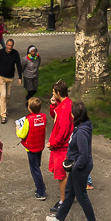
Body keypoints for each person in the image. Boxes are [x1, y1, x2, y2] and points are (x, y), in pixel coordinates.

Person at [46, 102, 98, 221]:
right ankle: (59, 219)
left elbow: (84, 154)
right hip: (77, 166)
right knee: (69, 192)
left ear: (75, 115)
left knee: (81, 195)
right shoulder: (82, 126)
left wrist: (75, 167)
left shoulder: (81, 132)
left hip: (79, 167)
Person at [47, 80, 73, 214]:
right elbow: (54, 116)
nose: (52, 95)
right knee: (62, 173)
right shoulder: (64, 104)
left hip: (61, 147)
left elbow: (63, 131)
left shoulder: (64, 109)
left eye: (53, 93)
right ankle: (68, 195)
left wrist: (53, 144)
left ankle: (63, 201)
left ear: (58, 93)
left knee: (60, 174)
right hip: (61, 145)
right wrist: (53, 105)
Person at [16, 96, 48, 200]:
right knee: (37, 165)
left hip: (31, 147)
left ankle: (41, 191)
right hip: (40, 145)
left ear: (29, 108)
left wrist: (17, 128)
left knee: (35, 169)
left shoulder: (28, 120)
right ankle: (40, 188)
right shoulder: (44, 117)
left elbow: (22, 134)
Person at [0, 38, 22, 123]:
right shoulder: (0, 53)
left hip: (10, 78)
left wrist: (20, 77)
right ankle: (3, 115)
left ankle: (4, 108)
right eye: (8, 45)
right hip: (1, 77)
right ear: (6, 45)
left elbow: (18, 65)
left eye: (11, 46)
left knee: (8, 95)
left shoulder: (15, 53)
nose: (10, 47)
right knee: (3, 95)